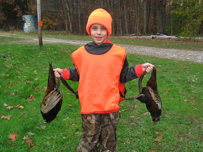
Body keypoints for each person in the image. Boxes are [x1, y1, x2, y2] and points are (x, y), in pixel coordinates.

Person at [54, 8, 154, 152]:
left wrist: (141, 68)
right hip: (90, 108)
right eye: (94, 28)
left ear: (108, 31)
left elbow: (124, 74)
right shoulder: (81, 54)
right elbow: (79, 74)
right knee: (89, 142)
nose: (99, 32)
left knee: (109, 144)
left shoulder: (118, 53)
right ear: (89, 30)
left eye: (103, 28)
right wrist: (62, 72)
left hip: (110, 108)